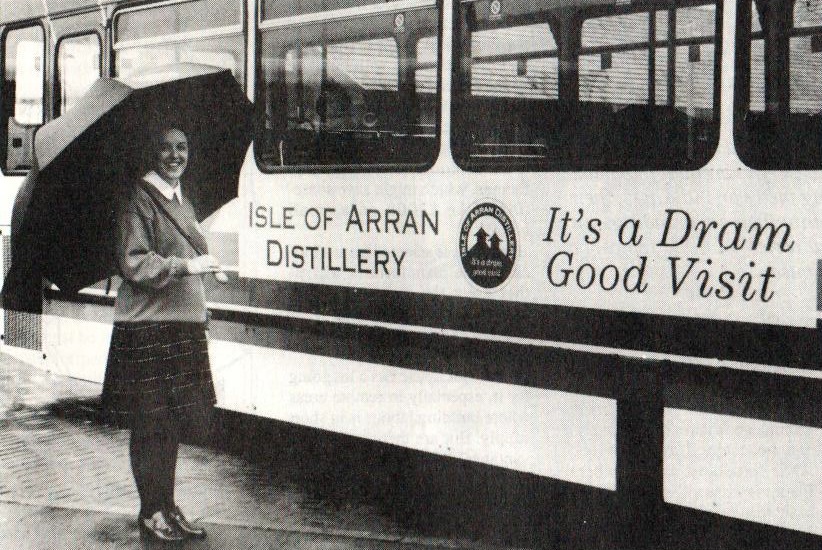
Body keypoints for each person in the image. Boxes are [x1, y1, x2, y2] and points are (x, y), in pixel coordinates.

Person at [101, 127, 221, 542]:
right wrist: (187, 267)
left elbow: (185, 254)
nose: (175, 155)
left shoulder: (182, 199)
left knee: (170, 424)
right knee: (149, 423)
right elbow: (134, 262)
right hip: (148, 327)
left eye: (182, 147)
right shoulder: (138, 197)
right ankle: (150, 511)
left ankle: (167, 506)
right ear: (152, 152)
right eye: (166, 147)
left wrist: (201, 286)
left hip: (182, 326)